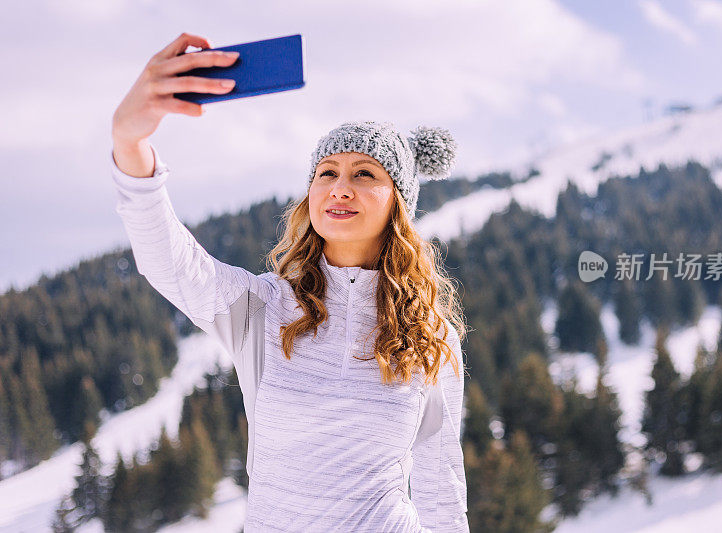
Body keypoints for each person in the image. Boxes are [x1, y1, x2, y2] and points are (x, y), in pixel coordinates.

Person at [110, 32, 469, 532]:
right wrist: (131, 142)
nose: (340, 187)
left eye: (365, 173)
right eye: (327, 172)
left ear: (398, 203)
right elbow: (170, 262)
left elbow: (441, 484)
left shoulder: (430, 337)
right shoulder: (263, 309)